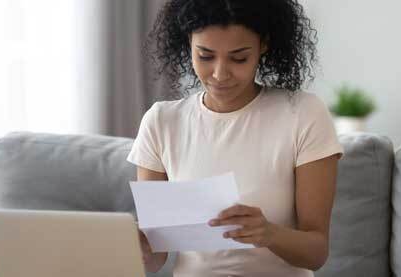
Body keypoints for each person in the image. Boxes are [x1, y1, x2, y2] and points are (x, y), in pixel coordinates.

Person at [126, 0, 343, 276]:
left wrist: (269, 234)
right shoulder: (161, 121)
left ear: (263, 45)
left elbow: (316, 252)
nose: (219, 74)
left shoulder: (303, 114)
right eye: (205, 56)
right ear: (188, 45)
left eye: (239, 58)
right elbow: (156, 259)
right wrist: (141, 247)